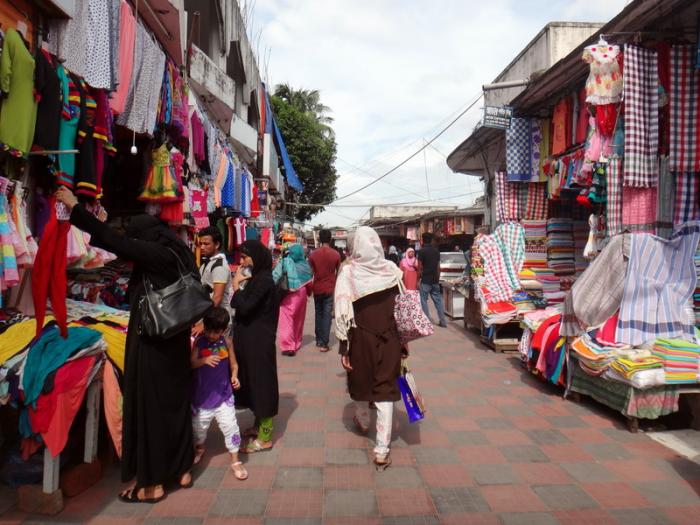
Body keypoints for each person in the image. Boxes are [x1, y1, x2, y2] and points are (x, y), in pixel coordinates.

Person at [56, 186, 194, 503]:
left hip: (152, 340)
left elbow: (121, 244)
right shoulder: (176, 250)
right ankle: (181, 469)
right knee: (175, 403)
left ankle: (152, 483)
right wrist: (101, 221)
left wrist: (77, 209)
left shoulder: (156, 254)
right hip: (175, 338)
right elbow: (125, 247)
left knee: (149, 407)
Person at [334, 226, 405, 470]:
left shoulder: (349, 274)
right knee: (385, 391)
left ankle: (363, 421)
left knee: (360, 381)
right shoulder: (392, 271)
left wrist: (344, 347)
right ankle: (382, 450)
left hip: (360, 339)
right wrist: (403, 343)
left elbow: (342, 313)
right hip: (391, 338)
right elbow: (401, 310)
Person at [230, 240, 280, 453]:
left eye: (245, 257)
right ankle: (259, 425)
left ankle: (265, 437)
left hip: (258, 340)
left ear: (256, 257)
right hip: (250, 339)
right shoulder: (257, 278)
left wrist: (235, 287)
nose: (242, 262)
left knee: (262, 384)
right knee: (252, 380)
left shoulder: (264, 281)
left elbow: (245, 305)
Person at [190, 307, 247, 481]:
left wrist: (235, 376)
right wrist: (204, 360)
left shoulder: (227, 343)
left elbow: (234, 365)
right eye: (208, 330)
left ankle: (235, 460)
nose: (211, 335)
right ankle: (199, 447)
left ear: (223, 330)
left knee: (231, 427)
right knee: (198, 430)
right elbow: (191, 363)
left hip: (224, 396)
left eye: (216, 332)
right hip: (202, 397)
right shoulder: (199, 343)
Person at [273, 244, 313, 356]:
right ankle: (297, 342)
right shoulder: (305, 265)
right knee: (298, 320)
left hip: (288, 294)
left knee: (286, 319)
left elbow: (275, 276)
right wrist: (308, 293)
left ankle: (288, 347)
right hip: (302, 294)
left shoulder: (285, 262)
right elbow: (310, 282)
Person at [196, 226, 234, 335]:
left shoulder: (219, 266)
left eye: (206, 244)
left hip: (217, 323)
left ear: (216, 245)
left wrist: (204, 323)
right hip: (211, 320)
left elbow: (218, 296)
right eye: (201, 244)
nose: (202, 247)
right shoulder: (208, 263)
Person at [309, 229, 340, 352]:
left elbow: (311, 272)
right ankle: (324, 343)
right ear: (330, 239)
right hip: (330, 288)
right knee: (327, 315)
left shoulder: (313, 254)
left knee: (318, 313)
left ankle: (318, 339)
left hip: (317, 288)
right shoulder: (336, 254)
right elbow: (338, 272)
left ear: (319, 239)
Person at [417, 232, 447, 327]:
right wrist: (437, 279)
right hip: (435, 280)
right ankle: (443, 321)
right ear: (431, 240)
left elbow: (420, 267)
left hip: (425, 280)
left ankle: (427, 322)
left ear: (422, 240)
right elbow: (439, 267)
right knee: (438, 301)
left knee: (423, 300)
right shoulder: (436, 251)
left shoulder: (421, 251)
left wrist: (418, 280)